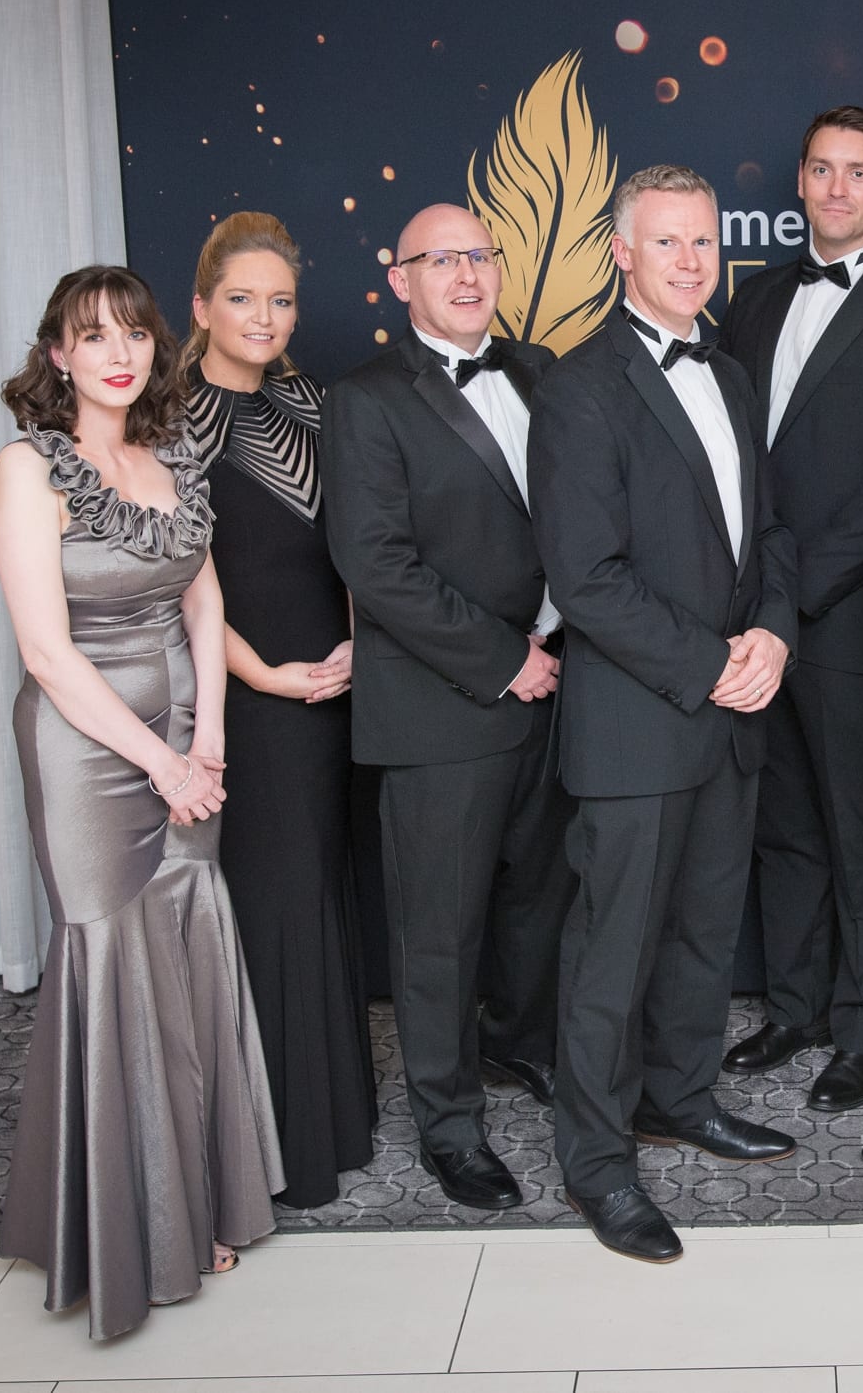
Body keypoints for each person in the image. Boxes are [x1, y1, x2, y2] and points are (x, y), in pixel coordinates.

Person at [0, 265, 282, 1339]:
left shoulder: (173, 455)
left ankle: (192, 1199)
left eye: (134, 334)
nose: (118, 352)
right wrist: (161, 766)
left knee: (186, 948)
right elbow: (45, 653)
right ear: (57, 353)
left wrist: (207, 734)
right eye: (92, 335)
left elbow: (203, 595)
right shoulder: (28, 468)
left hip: (182, 739)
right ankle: (127, 1224)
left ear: (158, 349)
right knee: (113, 957)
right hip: (87, 751)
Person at [530, 165, 799, 1263]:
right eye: (669, 243)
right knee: (613, 954)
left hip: (730, 714)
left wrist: (774, 634)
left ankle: (680, 1101)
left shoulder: (731, 375)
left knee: (700, 934)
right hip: (639, 723)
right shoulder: (580, 386)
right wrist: (711, 666)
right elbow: (586, 580)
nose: (692, 262)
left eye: (705, 243)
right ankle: (598, 1163)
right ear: (622, 252)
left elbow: (768, 538)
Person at [323, 202, 576, 1213]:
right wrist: (502, 657)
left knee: (536, 899)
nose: (468, 275)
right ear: (400, 278)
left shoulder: (540, 371)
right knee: (439, 929)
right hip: (443, 706)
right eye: (442, 260)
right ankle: (449, 1122)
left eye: (481, 256)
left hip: (557, 691)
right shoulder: (368, 399)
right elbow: (374, 563)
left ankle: (523, 1046)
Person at [716, 105, 863, 1109]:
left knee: (862, 831)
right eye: (820, 169)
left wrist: (790, 603)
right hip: (750, 618)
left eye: (856, 172)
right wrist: (753, 607)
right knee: (784, 825)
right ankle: (796, 1004)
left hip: (847, 618)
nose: (835, 188)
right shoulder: (757, 299)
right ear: (803, 179)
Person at [182, 212, 377, 1212]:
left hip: (332, 694)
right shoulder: (167, 423)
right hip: (245, 701)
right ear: (203, 305)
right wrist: (264, 677)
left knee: (323, 900)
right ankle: (277, 1146)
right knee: (270, 905)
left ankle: (334, 1119)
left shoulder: (313, 404)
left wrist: (352, 641)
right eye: (245, 297)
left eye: (282, 299)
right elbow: (173, 582)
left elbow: (353, 545)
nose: (265, 316)